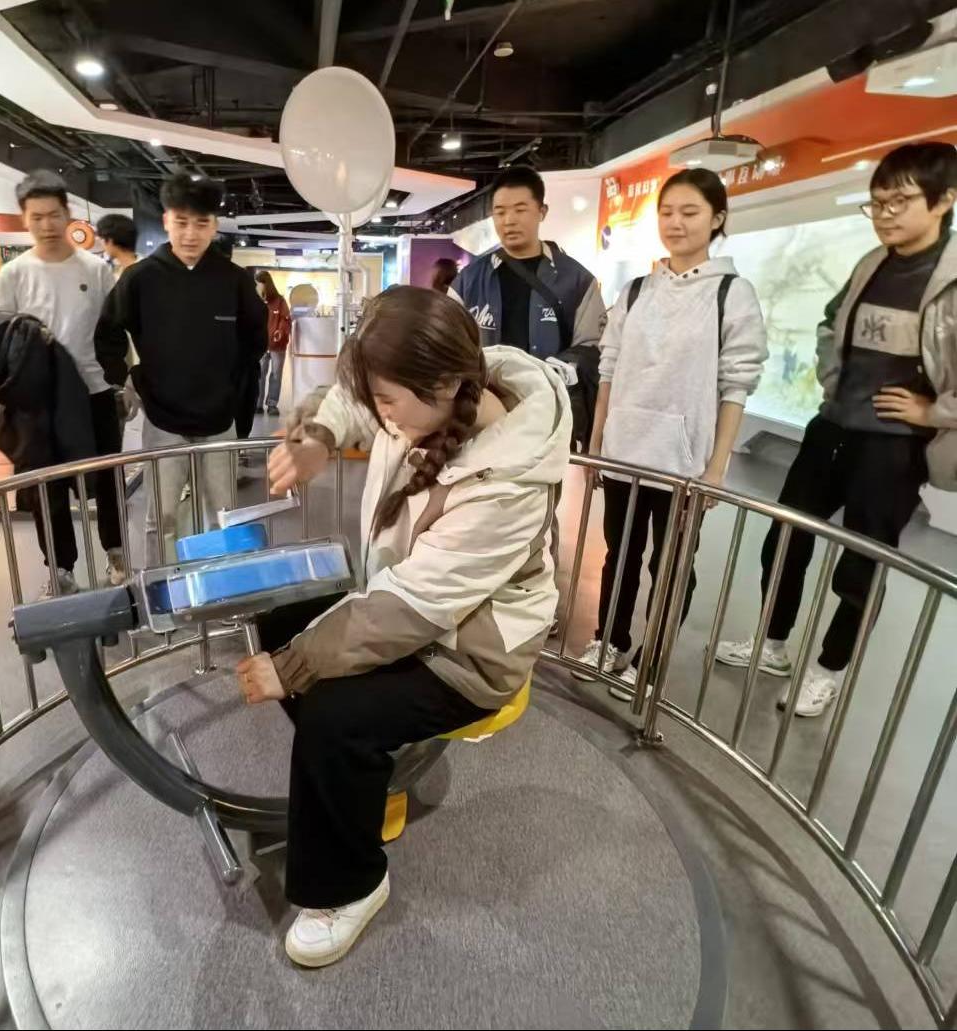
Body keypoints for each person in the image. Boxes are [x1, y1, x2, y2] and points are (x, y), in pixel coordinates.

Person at [237, 285, 568, 967]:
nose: (380, 414)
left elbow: (410, 610)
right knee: (281, 620)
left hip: (471, 654)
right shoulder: (427, 393)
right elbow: (352, 399)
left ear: (444, 387)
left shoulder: (507, 483)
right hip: (411, 606)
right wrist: (319, 438)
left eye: (388, 402)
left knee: (333, 715)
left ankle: (351, 885)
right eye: (379, 400)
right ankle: (361, 783)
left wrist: (294, 667)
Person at [716, 142, 957, 717]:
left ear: (944, 200)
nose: (885, 215)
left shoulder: (950, 282)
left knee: (861, 564)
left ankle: (828, 669)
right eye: (877, 203)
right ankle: (773, 644)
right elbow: (831, 323)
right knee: (785, 539)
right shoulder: (872, 264)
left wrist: (933, 413)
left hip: (893, 448)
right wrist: (833, 381)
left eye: (900, 202)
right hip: (832, 428)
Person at [576, 168, 766, 699]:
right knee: (620, 554)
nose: (675, 223)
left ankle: (651, 658)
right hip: (624, 453)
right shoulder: (637, 291)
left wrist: (717, 466)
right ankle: (608, 639)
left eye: (690, 212)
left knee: (673, 565)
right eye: (667, 212)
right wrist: (598, 445)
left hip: (683, 462)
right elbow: (609, 369)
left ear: (717, 218)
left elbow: (736, 384)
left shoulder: (731, 293)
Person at [97, 173, 266, 557]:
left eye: (201, 223)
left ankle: (220, 585)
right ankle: (164, 585)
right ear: (166, 221)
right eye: (182, 222)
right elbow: (107, 332)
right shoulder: (140, 278)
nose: (191, 234)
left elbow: (255, 339)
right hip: (162, 419)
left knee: (223, 515)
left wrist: (230, 385)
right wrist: (128, 377)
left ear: (215, 226)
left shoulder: (233, 280)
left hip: (218, 420)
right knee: (162, 518)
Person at [0, 171, 124, 594]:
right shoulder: (14, 274)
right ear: (24, 220)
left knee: (106, 479)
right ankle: (60, 569)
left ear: (68, 214)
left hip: (95, 394)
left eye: (53, 215)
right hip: (39, 403)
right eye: (36, 217)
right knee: (48, 488)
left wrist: (124, 383)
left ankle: (117, 553)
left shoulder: (96, 270)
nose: (46, 225)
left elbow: (115, 332)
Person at [450, 165, 604, 450]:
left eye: (520, 210)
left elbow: (592, 348)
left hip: (548, 420)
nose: (509, 220)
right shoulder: (468, 281)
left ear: (542, 212)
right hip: (483, 419)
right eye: (500, 212)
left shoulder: (577, 281)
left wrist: (547, 375)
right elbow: (445, 344)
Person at [255, 269, 290, 417]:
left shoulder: (280, 301)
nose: (256, 287)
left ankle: (272, 404)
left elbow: (286, 319)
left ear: (265, 284)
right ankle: (257, 404)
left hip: (277, 346)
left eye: (258, 284)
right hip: (261, 345)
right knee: (260, 374)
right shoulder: (255, 301)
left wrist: (280, 331)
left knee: (276, 375)